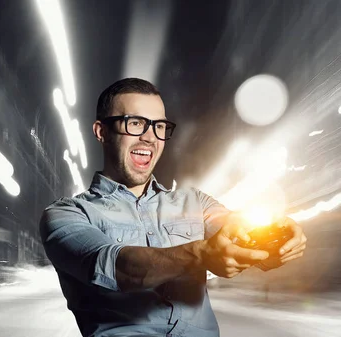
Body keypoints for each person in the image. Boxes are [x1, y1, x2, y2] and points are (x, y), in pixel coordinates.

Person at [39, 78, 307, 337]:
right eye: (135, 123)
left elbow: (235, 227)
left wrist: (275, 236)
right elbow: (118, 266)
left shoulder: (195, 202)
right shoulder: (66, 216)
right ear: (102, 132)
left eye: (159, 127)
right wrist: (200, 254)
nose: (149, 137)